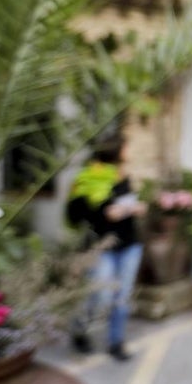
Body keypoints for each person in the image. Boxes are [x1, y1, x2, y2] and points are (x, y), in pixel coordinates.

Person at [66, 136, 147, 362]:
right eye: (126, 145)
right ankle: (79, 330)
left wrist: (136, 208)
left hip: (129, 245)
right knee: (99, 295)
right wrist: (103, 214)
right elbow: (74, 215)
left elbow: (126, 205)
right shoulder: (86, 178)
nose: (129, 149)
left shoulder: (122, 177)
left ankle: (116, 342)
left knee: (122, 296)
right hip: (101, 248)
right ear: (116, 150)